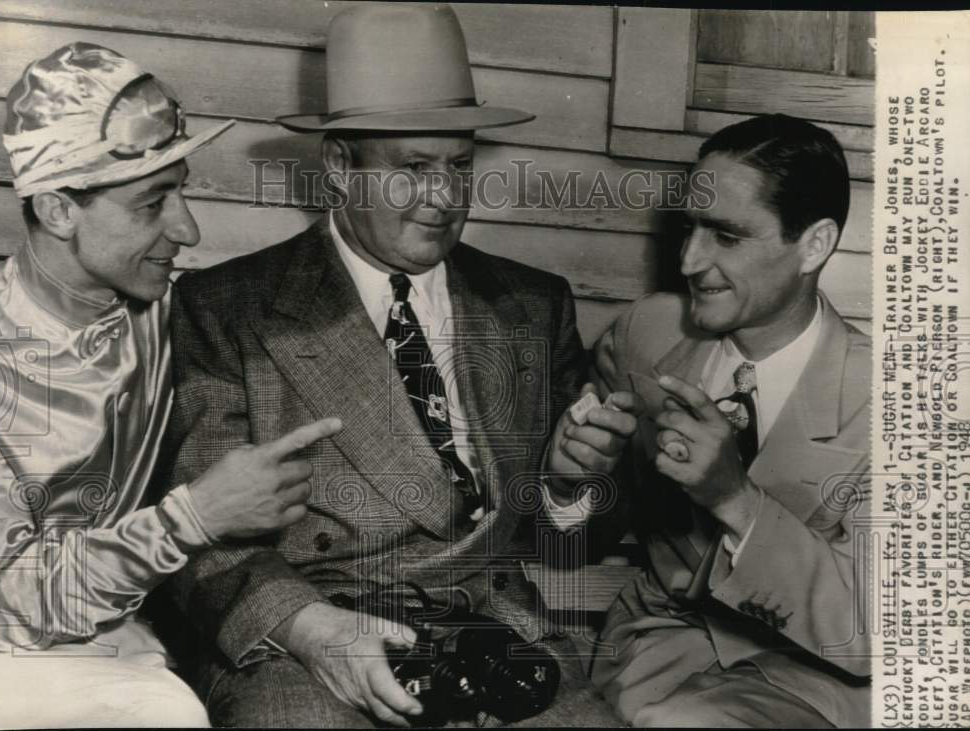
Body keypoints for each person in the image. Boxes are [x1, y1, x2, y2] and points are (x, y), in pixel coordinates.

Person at [163, 4, 636, 727]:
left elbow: (565, 540)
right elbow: (203, 541)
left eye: (459, 166)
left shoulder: (531, 305)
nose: (445, 198)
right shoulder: (227, 308)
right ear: (340, 165)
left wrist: (576, 483)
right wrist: (318, 633)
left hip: (498, 637)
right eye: (413, 168)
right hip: (310, 640)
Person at [0, 42, 340, 728]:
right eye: (151, 203)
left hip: (127, 643)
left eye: (182, 188)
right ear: (57, 209)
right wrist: (191, 517)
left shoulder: (172, 313)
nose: (188, 228)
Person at [590, 113, 871, 728]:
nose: (690, 260)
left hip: (817, 679)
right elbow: (589, 530)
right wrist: (570, 485)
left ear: (815, 245)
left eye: (727, 236)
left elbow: (877, 630)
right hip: (656, 652)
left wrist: (736, 501)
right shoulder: (645, 332)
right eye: (691, 229)